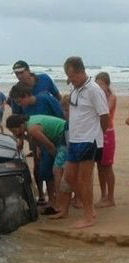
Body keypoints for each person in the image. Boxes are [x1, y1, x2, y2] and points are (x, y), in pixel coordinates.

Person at [52, 56, 109, 228]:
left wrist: (98, 135)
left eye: (71, 76)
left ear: (80, 71)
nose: (70, 80)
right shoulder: (76, 90)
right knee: (68, 177)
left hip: (88, 140)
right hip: (75, 140)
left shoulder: (94, 89)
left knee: (84, 179)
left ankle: (89, 215)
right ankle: (77, 209)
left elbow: (104, 115)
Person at [11, 82, 64, 209]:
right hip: (42, 140)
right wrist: (33, 145)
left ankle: (62, 201)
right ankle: (52, 200)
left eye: (19, 101)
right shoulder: (26, 111)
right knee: (45, 170)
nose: (20, 105)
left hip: (59, 136)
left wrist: (55, 152)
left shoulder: (45, 99)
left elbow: (61, 115)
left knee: (59, 169)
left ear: (27, 95)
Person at [6, 114, 67, 214]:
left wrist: (57, 160)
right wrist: (21, 139)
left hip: (63, 135)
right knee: (50, 169)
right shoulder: (28, 123)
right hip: (56, 137)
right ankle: (55, 201)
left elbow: (50, 146)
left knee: (57, 170)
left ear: (21, 126)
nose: (14, 134)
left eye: (14, 131)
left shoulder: (32, 129)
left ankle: (60, 204)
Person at [94, 72, 116, 208]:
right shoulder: (98, 97)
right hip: (98, 133)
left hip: (108, 134)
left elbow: (105, 111)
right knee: (100, 166)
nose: (99, 87)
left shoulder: (111, 97)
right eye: (97, 84)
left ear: (107, 85)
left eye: (101, 84)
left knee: (107, 166)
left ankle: (111, 197)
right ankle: (103, 195)